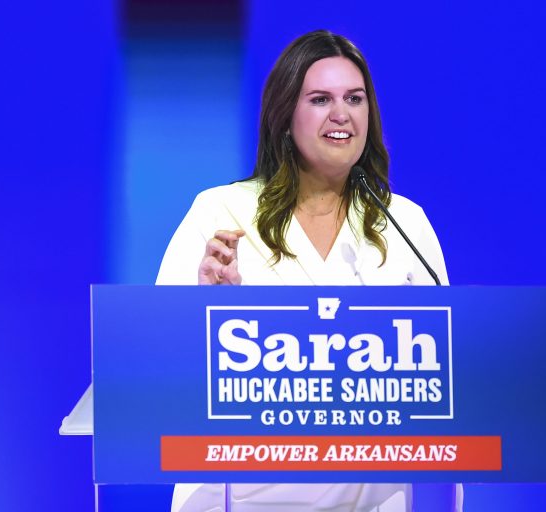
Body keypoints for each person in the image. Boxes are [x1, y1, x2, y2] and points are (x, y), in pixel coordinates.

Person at [157, 30, 462, 512]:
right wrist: (209, 305)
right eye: (320, 99)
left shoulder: (404, 224)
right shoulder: (222, 212)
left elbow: (450, 385)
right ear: (286, 116)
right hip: (240, 499)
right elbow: (155, 362)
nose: (341, 114)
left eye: (354, 99)